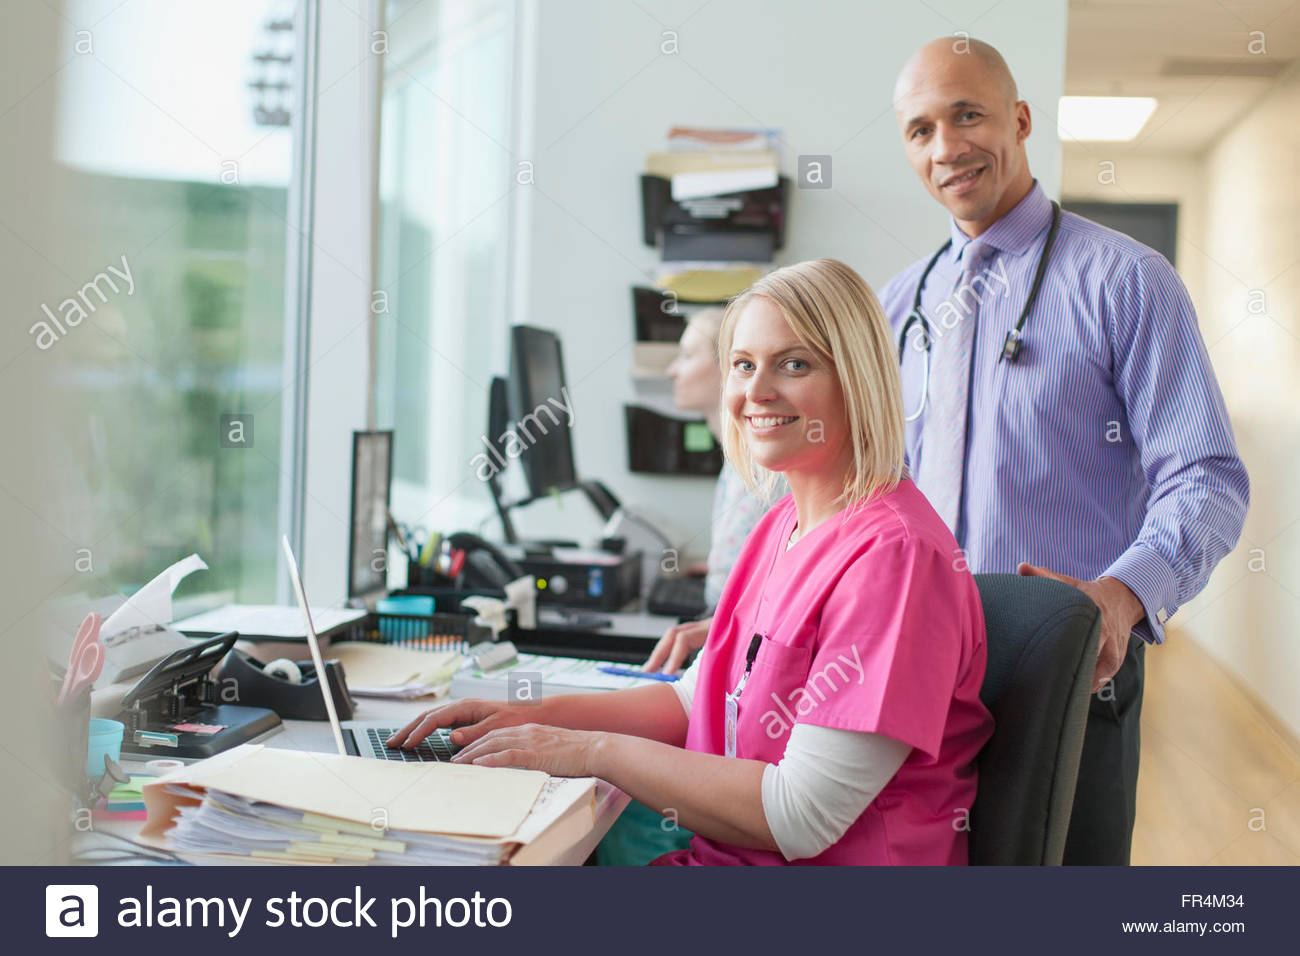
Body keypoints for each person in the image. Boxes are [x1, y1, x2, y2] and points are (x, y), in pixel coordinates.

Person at [390, 259, 994, 865]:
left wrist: (589, 749)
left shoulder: (895, 559)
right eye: (742, 364)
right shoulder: (782, 525)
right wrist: (527, 715)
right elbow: (694, 699)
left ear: (856, 379)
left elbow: (802, 816)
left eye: (794, 364)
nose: (756, 392)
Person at [879, 38, 1250, 865]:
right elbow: (871, 495)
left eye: (967, 115)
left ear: (1018, 119)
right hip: (912, 671)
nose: (946, 148)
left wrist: (1120, 597)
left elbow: (1207, 478)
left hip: (1071, 664)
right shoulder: (898, 306)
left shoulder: (1126, 280)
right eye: (920, 129)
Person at [645, 308, 785, 675]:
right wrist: (724, 566)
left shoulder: (764, 465)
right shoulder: (738, 458)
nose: (673, 370)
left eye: (688, 356)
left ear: (732, 367)